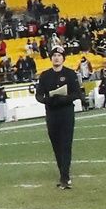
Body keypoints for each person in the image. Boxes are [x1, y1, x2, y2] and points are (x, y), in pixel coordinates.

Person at [34, 45, 85, 189]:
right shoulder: (45, 75)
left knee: (66, 144)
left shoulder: (70, 74)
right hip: (52, 113)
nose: (56, 58)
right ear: (51, 58)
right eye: (54, 55)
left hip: (66, 112)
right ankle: (62, 173)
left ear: (63, 58)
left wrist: (65, 99)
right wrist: (47, 100)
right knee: (56, 145)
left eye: (59, 55)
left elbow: (77, 93)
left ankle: (65, 176)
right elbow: (38, 95)